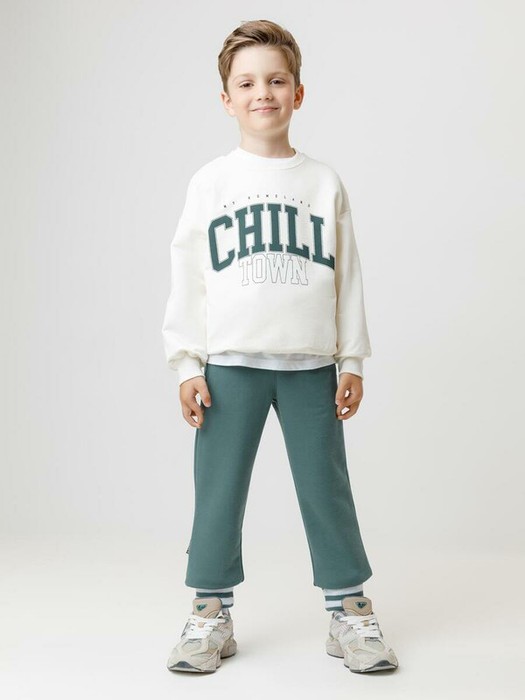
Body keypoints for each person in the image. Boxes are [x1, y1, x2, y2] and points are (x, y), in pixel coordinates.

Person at [162, 18, 399, 675]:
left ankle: (349, 613)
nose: (261, 92)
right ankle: (209, 614)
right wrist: (186, 363)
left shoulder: (322, 182)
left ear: (298, 92)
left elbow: (348, 275)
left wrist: (352, 359)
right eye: (246, 83)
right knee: (218, 491)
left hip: (310, 367)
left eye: (275, 80)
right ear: (226, 99)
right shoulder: (211, 182)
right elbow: (188, 275)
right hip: (228, 366)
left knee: (326, 489)